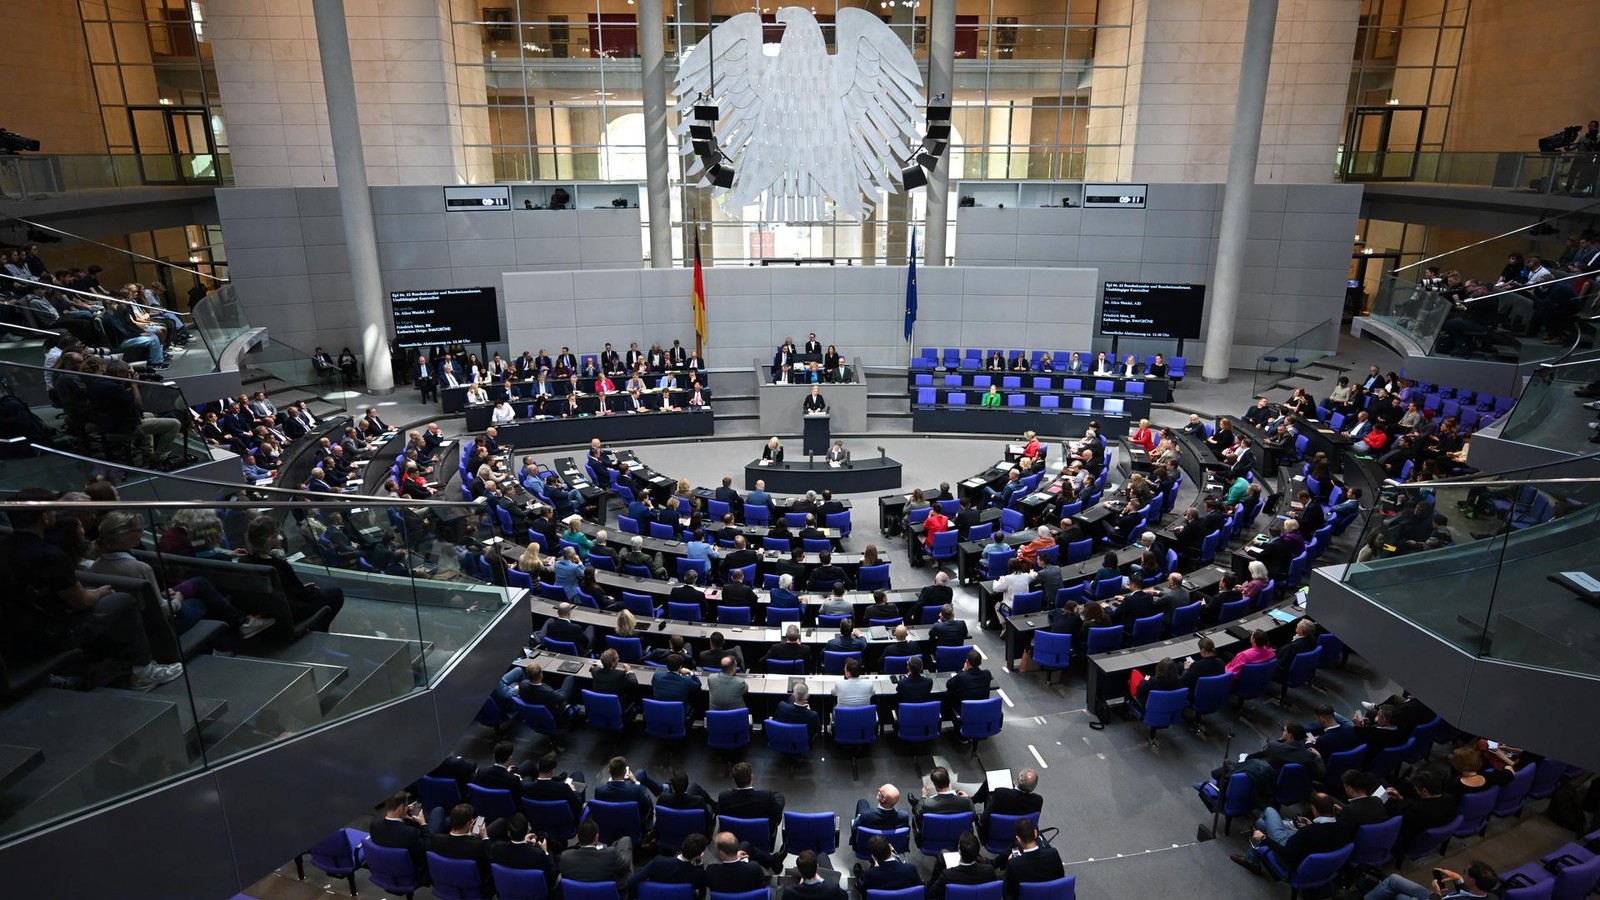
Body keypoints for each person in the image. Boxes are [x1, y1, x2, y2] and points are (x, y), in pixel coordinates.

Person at [1230, 792, 1350, 877]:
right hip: (1319, 866)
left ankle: (1252, 856)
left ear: (1315, 810)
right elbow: (1321, 838)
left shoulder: (1309, 831)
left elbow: (1286, 854)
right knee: (1262, 823)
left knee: (1269, 811)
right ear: (1333, 809)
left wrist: (1264, 839)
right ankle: (1252, 859)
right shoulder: (1344, 827)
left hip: (1292, 862)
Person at [998, 818, 1064, 900]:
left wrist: (1009, 863)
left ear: (1018, 838)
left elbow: (1008, 893)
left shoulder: (1014, 864)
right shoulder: (1053, 853)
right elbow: (1061, 880)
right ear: (1035, 833)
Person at [628, 831, 709, 897]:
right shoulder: (697, 875)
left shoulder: (658, 862)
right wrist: (700, 863)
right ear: (699, 855)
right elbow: (702, 894)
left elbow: (632, 881)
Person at [558, 818, 633, 888]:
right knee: (625, 842)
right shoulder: (611, 854)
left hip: (577, 895)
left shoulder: (565, 857)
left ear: (577, 837)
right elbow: (626, 867)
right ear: (596, 837)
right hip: (609, 893)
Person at [1364, 862, 1498, 900]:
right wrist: (1459, 880)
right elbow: (1468, 893)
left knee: (1395, 886)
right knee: (1396, 888)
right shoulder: (1490, 896)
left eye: (1465, 873)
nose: (1463, 873)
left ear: (1473, 881)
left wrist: (1437, 894)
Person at [855, 834, 923, 900]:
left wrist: (874, 870)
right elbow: (920, 891)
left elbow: (865, 894)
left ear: (874, 857)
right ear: (890, 848)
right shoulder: (911, 869)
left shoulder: (870, 874)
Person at [704, 831, 774, 892]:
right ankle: (774, 861)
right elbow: (761, 887)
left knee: (745, 845)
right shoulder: (754, 868)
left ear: (722, 853)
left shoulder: (711, 871)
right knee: (745, 845)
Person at [944, 649, 994, 718]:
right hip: (982, 708)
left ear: (967, 662)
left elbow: (949, 685)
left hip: (966, 711)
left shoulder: (961, 676)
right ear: (980, 663)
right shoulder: (987, 674)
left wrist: (963, 670)